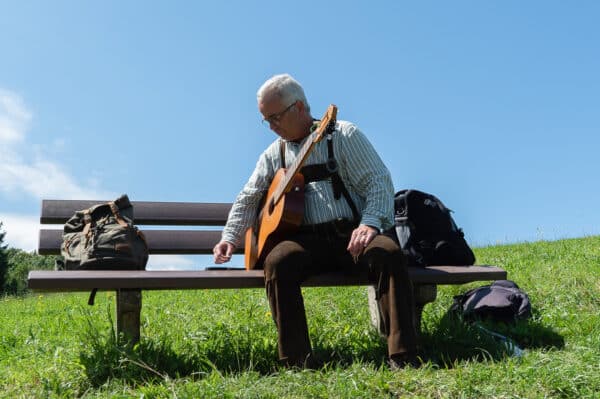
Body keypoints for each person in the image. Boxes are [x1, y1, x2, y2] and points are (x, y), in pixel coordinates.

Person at [213, 73, 418, 369]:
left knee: (388, 254)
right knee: (279, 262)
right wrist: (230, 238)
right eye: (266, 120)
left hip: (353, 235)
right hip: (307, 242)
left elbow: (378, 181)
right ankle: (297, 361)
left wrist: (370, 223)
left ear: (298, 108)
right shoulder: (275, 154)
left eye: (275, 117)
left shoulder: (344, 135)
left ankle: (403, 356)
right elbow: (249, 196)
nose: (271, 127)